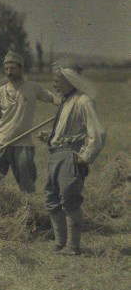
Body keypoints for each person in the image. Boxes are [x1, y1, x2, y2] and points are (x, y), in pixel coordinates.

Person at [41, 63, 105, 255]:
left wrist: (85, 156)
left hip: (71, 156)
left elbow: (98, 133)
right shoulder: (65, 101)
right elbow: (66, 130)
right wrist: (50, 137)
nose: (54, 85)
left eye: (57, 80)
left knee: (69, 199)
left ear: (71, 80)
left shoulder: (83, 101)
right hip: (55, 155)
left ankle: (72, 246)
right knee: (52, 199)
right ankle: (60, 243)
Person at [0, 50, 57, 193]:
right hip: (1, 143)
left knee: (27, 183)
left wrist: (67, 102)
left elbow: (52, 98)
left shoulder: (32, 87)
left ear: (21, 68)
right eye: (6, 69)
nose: (8, 72)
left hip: (23, 144)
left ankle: (30, 209)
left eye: (12, 68)